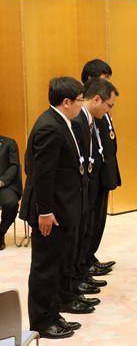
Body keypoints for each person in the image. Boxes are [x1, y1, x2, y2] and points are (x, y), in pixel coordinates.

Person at [20, 77, 85, 339]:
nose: (81, 105)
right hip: (51, 212)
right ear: (66, 101)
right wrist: (45, 212)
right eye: (80, 100)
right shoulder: (49, 127)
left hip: (62, 208)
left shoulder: (61, 122)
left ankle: (53, 312)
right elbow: (42, 174)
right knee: (45, 266)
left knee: (57, 263)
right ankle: (42, 321)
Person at [81, 59, 120, 276]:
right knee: (89, 220)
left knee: (99, 219)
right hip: (92, 173)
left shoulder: (103, 106)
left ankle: (90, 256)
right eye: (104, 80)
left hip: (104, 171)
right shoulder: (85, 108)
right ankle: (84, 260)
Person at [0, 136, 22, 250]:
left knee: (11, 204)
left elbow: (14, 166)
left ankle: (0, 232)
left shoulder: (9, 143)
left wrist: (2, 181)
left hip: (4, 186)